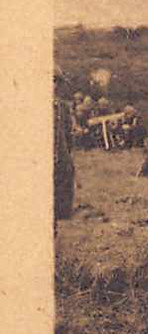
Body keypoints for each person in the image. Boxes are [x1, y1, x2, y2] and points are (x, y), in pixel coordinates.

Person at [53, 64, 76, 221]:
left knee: (66, 172)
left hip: (60, 150)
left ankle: (61, 213)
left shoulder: (62, 107)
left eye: (55, 81)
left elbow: (68, 131)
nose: (52, 85)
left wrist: (67, 150)